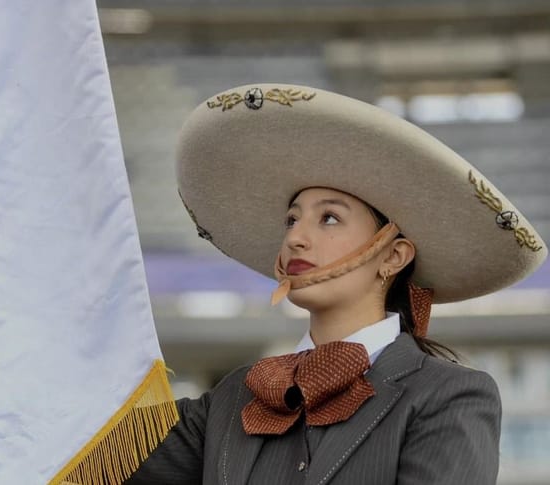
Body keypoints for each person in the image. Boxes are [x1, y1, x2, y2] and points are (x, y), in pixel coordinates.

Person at [125, 83, 548, 484]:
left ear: (393, 256)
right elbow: (96, 445)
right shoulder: (233, 396)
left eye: (329, 218)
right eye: (291, 219)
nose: (296, 237)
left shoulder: (450, 395)